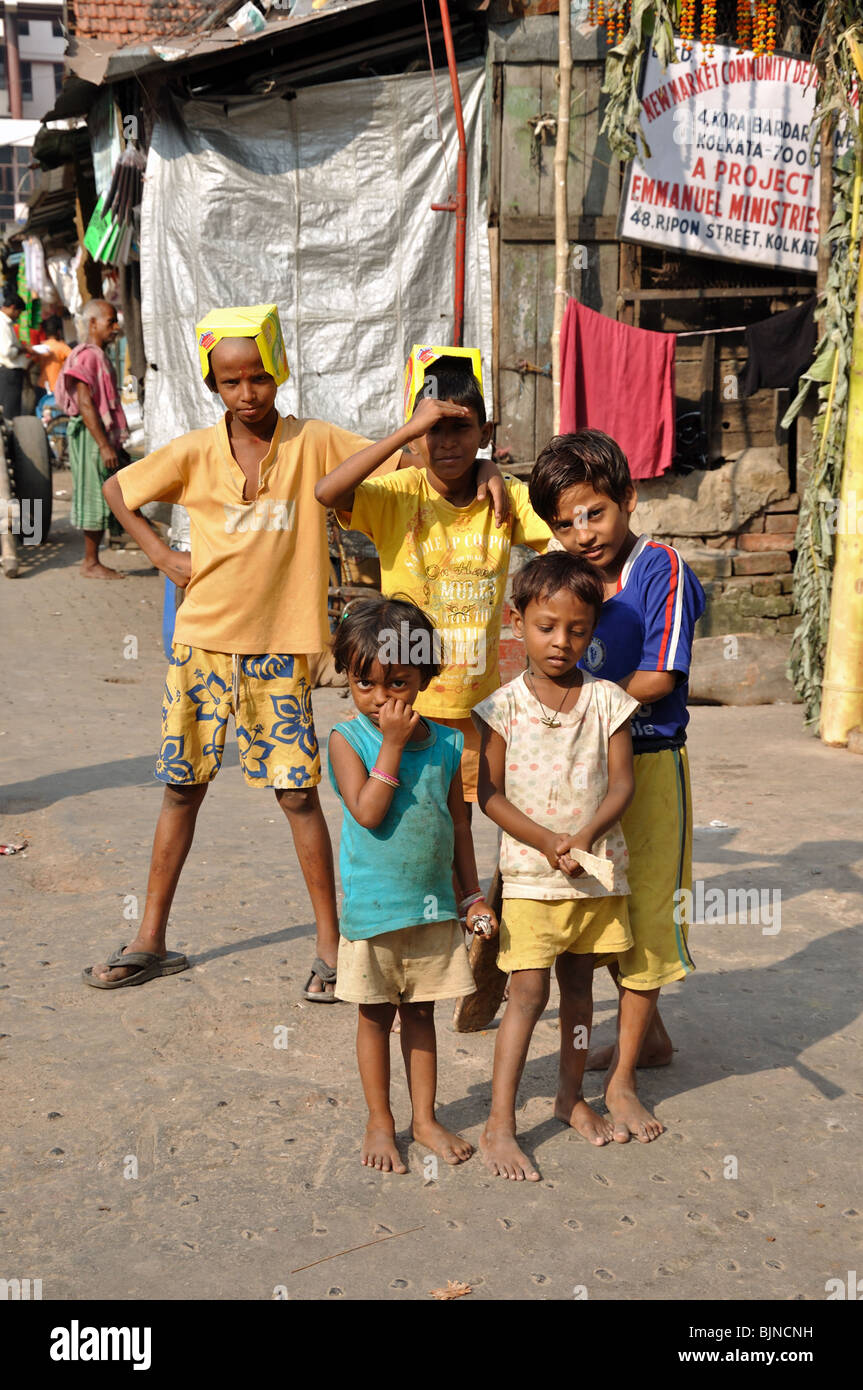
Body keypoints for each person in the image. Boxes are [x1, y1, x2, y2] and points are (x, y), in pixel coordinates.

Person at [82, 303, 408, 999]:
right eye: (231, 382)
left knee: (297, 795)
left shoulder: (313, 441)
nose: (247, 393)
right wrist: (162, 555)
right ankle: (150, 939)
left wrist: (436, 442)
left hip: (278, 654)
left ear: (278, 372)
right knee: (180, 787)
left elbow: (391, 466)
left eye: (258, 377)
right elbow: (118, 489)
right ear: (213, 386)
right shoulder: (196, 453)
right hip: (200, 647)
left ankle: (331, 946)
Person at [528, 429, 706, 1143]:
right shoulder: (564, 579)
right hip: (583, 771)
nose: (581, 532)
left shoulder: (659, 568)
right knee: (600, 911)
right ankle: (650, 1037)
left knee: (649, 916)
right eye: (564, 521)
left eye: (594, 513)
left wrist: (576, 713)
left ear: (627, 500)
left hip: (651, 764)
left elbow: (660, 678)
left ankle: (624, 1081)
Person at [315, 356, 549, 825]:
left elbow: (564, 532)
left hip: (474, 702)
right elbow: (327, 491)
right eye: (432, 429)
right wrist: (404, 434)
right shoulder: (400, 492)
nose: (445, 442)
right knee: (411, 814)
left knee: (460, 817)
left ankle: (466, 900)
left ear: (484, 434)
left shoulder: (505, 499)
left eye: (460, 428)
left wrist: (490, 472)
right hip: (402, 698)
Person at [472, 551, 639, 1180]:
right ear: (518, 622)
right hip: (533, 880)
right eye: (546, 627)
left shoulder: (608, 702)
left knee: (578, 993)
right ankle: (499, 1124)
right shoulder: (503, 706)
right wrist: (546, 841)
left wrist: (586, 835)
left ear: (592, 628)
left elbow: (622, 785)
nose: (561, 642)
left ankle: (569, 1099)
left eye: (577, 628)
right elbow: (488, 795)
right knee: (526, 992)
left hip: (592, 877)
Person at [329, 594, 498, 1172]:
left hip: (431, 912)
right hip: (375, 911)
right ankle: (381, 1120)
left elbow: (460, 826)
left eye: (396, 683)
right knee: (375, 1016)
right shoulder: (348, 740)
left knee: (421, 1015)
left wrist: (471, 894)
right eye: (364, 684)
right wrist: (394, 746)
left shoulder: (450, 746)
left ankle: (424, 1118)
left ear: (425, 676)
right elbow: (369, 811)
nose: (380, 700)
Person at [53, 299, 128, 580]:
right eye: (111, 321)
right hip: (91, 435)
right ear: (93, 323)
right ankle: (90, 562)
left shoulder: (97, 354)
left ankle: (93, 559)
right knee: (95, 494)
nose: (116, 327)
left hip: (95, 434)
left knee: (106, 492)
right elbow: (85, 402)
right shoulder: (88, 356)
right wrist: (104, 444)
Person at [0, 292, 37, 420]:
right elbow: (7, 352)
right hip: (9, 373)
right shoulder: (3, 324)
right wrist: (23, 349)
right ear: (12, 307)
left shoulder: (6, 323)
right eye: (18, 312)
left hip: (10, 373)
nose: (18, 316)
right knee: (10, 414)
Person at [35, 313, 72, 395]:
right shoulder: (62, 347)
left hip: (42, 385)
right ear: (59, 332)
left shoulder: (41, 347)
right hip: (57, 387)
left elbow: (33, 363)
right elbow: (74, 360)